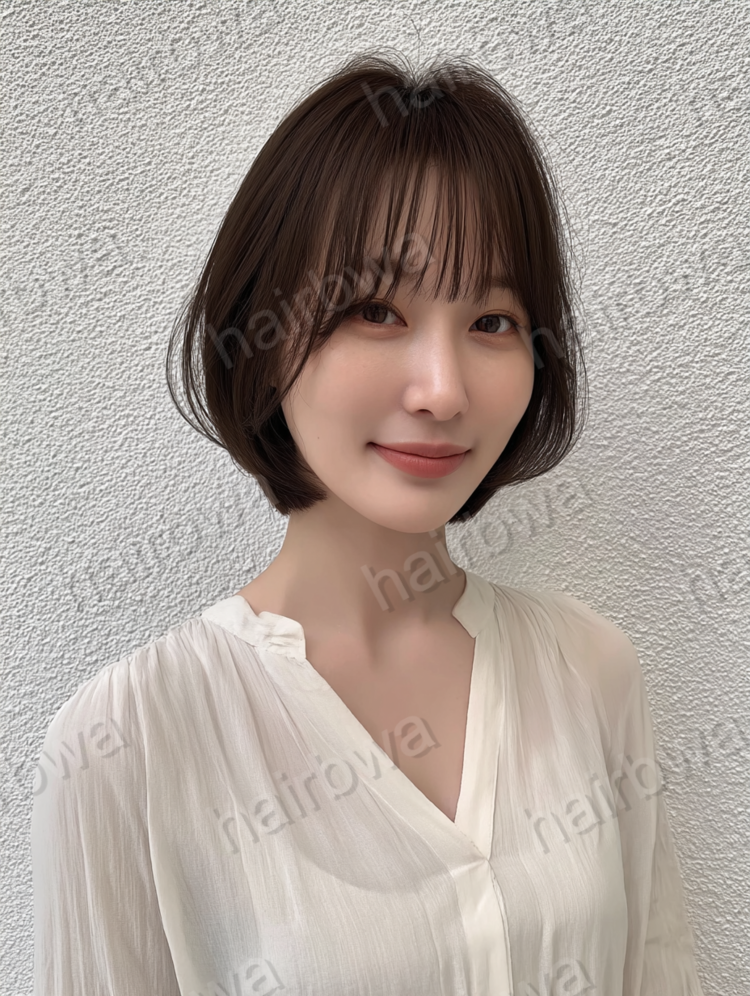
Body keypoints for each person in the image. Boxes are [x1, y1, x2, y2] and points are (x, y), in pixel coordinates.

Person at [32, 52, 705, 996]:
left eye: (494, 321)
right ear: (263, 335)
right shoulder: (127, 741)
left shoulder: (590, 669)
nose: (443, 390)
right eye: (376, 310)